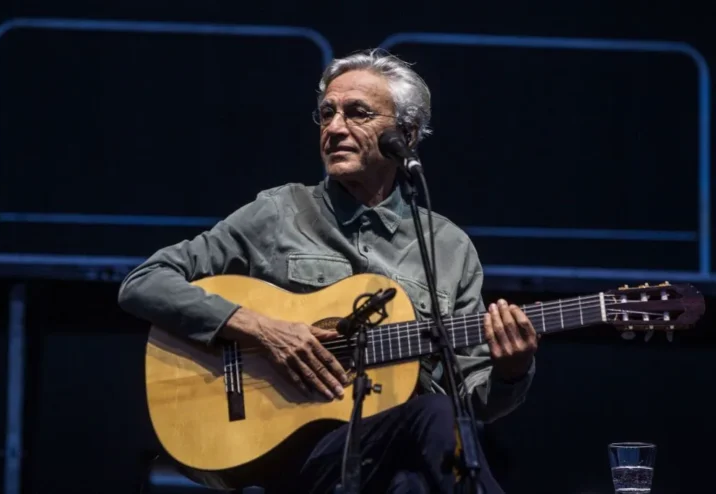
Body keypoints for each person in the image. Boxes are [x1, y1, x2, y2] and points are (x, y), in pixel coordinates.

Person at [118, 48, 538, 494]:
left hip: (400, 445)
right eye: (326, 114)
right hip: (300, 449)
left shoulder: (449, 248)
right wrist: (262, 329)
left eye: (357, 113)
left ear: (407, 134)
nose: (335, 128)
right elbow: (144, 282)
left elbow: (470, 402)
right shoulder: (279, 212)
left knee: (414, 478)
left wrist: (512, 372)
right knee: (433, 419)